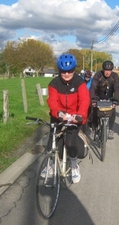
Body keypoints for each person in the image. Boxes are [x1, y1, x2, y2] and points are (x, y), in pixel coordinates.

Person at [47, 53, 90, 183]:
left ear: (74, 70)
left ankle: (74, 164)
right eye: (63, 71)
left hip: (74, 117)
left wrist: (81, 114)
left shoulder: (80, 82)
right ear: (59, 71)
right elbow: (52, 102)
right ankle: (51, 164)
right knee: (52, 142)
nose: (66, 74)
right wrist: (59, 113)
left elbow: (84, 99)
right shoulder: (54, 84)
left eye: (70, 71)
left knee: (71, 142)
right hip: (58, 116)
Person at [89, 60, 119, 139]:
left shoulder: (115, 76)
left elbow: (117, 88)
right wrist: (93, 99)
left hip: (109, 97)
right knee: (94, 110)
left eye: (109, 70)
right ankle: (94, 128)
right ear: (103, 69)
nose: (107, 72)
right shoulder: (98, 75)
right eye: (106, 70)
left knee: (113, 111)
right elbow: (92, 87)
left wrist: (116, 100)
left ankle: (110, 129)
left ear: (112, 70)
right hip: (98, 96)